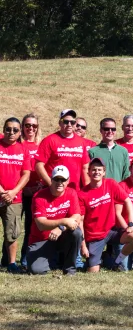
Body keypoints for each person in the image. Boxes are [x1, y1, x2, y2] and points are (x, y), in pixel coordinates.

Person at [77, 158, 133, 272]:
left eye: (99, 170)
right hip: (94, 236)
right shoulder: (82, 194)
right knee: (93, 272)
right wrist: (83, 245)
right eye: (94, 170)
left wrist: (130, 224)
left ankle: (116, 262)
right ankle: (103, 258)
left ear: (104, 172)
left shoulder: (110, 184)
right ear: (89, 172)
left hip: (112, 231)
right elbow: (80, 221)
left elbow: (128, 201)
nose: (97, 172)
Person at [27, 166, 83, 275]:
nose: (60, 183)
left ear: (68, 181)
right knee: (37, 270)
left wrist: (60, 228)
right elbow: (41, 224)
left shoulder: (71, 193)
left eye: (63, 180)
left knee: (76, 232)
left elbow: (76, 217)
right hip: (41, 239)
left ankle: (70, 269)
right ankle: (52, 261)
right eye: (56, 179)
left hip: (61, 237)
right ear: (51, 180)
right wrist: (63, 222)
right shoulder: (39, 196)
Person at [0, 118, 32, 272]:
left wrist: (13, 192)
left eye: (15, 130)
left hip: (14, 199)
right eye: (8, 129)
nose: (11, 132)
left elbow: (26, 174)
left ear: (20, 132)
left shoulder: (23, 150)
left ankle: (12, 264)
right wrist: (2, 191)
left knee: (12, 232)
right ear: (4, 129)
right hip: (3, 193)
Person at [35, 109, 90, 189]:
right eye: (66, 121)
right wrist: (50, 184)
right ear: (60, 123)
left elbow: (85, 168)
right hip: (53, 190)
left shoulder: (81, 142)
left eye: (72, 122)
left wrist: (87, 189)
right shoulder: (50, 140)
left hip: (73, 190)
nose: (69, 124)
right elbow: (39, 165)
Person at [20, 114, 40, 265]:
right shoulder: (17, 144)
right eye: (27, 125)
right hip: (17, 192)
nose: (31, 128)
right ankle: (7, 259)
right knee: (11, 229)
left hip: (34, 193)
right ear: (22, 127)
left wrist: (36, 188)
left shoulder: (41, 145)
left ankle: (25, 259)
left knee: (30, 227)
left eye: (34, 126)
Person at [88, 118, 130, 182]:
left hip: (119, 190)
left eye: (113, 129)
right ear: (101, 130)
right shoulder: (92, 152)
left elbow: (126, 174)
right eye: (106, 129)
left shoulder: (123, 151)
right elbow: (89, 174)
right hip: (101, 190)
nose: (110, 131)